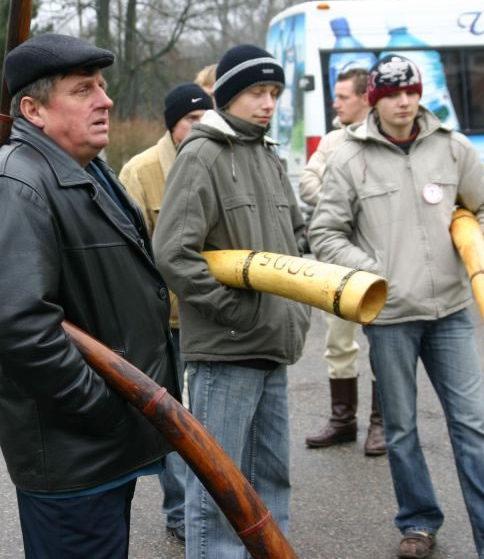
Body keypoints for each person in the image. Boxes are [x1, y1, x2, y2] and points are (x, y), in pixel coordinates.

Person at [309, 55, 484, 559]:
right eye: (393, 94)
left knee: (474, 426)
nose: (404, 102)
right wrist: (373, 273)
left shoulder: (452, 147)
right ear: (375, 100)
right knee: (400, 430)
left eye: (411, 92)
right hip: (390, 318)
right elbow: (324, 234)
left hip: (451, 313)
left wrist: (476, 254)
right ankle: (417, 522)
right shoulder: (349, 158)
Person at [0, 33, 178, 559]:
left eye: (102, 86)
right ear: (33, 110)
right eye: (83, 90)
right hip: (75, 454)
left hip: (102, 449)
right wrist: (105, 409)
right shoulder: (14, 184)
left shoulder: (87, 171)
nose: (105, 100)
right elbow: (16, 328)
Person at [153, 44, 310, 558]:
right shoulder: (201, 155)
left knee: (271, 483)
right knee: (220, 493)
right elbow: (173, 252)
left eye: (274, 93)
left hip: (273, 347)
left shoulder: (268, 156)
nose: (268, 104)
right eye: (256, 92)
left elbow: (295, 240)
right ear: (226, 95)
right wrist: (236, 312)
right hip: (226, 353)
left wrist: (297, 310)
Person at [118, 81, 213, 544]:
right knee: (172, 416)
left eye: (206, 118)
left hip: (209, 315)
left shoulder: (216, 161)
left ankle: (212, 504)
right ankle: (179, 510)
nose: (200, 127)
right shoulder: (140, 171)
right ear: (173, 124)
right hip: (163, 321)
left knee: (208, 416)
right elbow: (129, 251)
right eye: (191, 120)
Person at [299, 68, 386, 456]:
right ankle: (343, 420)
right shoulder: (333, 141)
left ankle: (382, 423)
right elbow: (307, 183)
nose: (335, 103)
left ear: (365, 98)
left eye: (342, 96)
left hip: (378, 259)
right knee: (337, 341)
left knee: (382, 340)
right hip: (335, 262)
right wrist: (342, 203)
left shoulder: (384, 138)